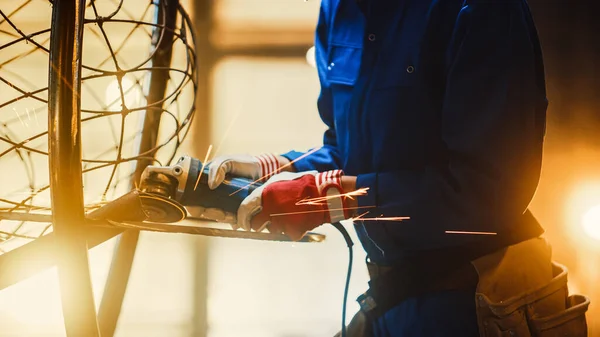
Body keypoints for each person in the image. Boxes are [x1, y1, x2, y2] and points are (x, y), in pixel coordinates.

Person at [200, 0, 589, 336]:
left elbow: (488, 192)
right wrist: (273, 169)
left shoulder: (482, 9)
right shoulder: (339, 9)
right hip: (392, 298)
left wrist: (329, 197)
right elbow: (347, 150)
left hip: (483, 304)